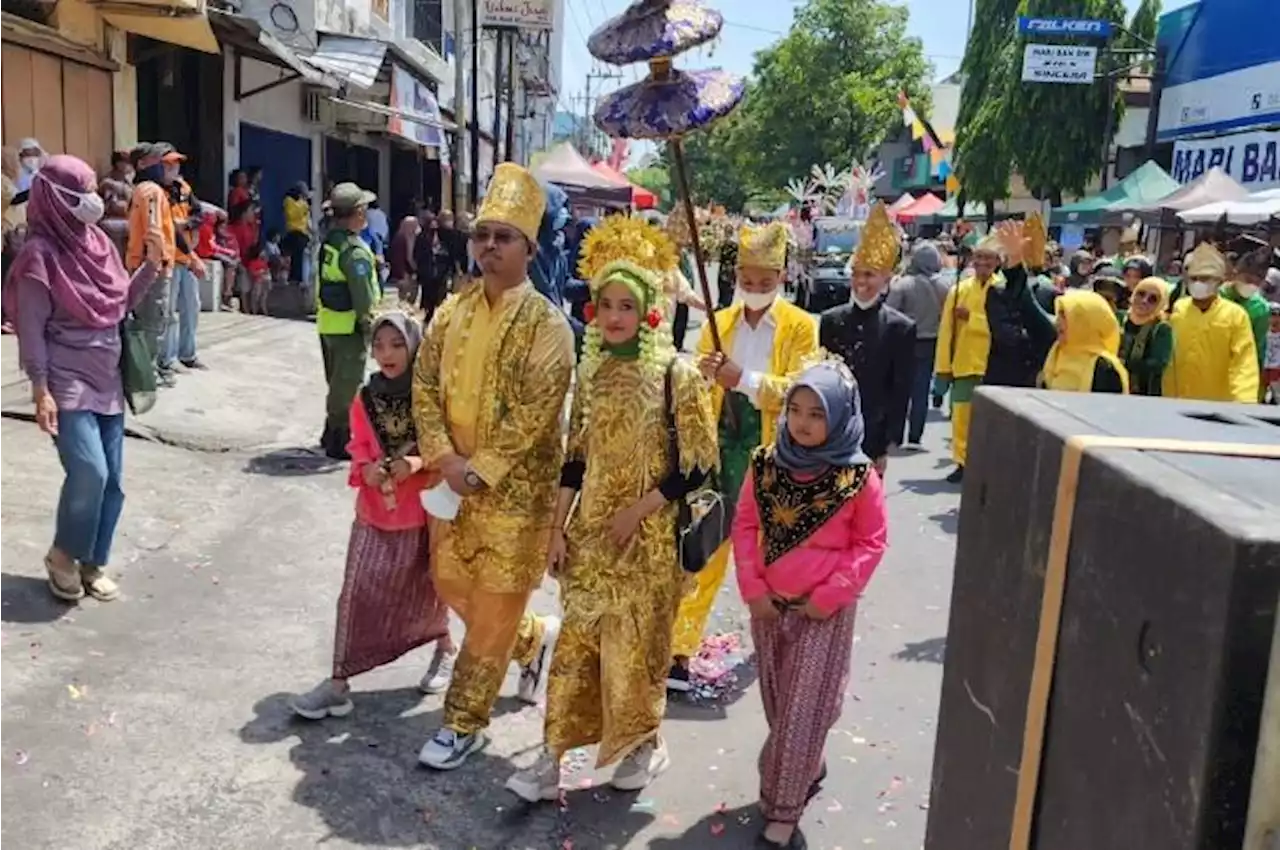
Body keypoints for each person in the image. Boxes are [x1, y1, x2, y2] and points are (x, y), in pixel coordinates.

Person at [503, 218, 718, 802]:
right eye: (606, 305)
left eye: (628, 304)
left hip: (648, 547)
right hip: (593, 538)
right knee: (576, 646)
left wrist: (638, 511)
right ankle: (550, 759)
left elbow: (699, 466)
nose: (616, 315)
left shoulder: (677, 376)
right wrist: (557, 528)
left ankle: (644, 740)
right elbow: (574, 459)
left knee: (636, 652)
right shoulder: (593, 373)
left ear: (649, 309)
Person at [411, 163, 574, 770]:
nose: (488, 246)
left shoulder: (548, 326)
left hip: (515, 494)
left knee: (496, 604)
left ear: (529, 247)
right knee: (452, 584)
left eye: (503, 237)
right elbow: (425, 383)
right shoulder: (451, 311)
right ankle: (533, 641)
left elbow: (537, 410)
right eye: (482, 235)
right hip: (450, 482)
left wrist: (478, 469)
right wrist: (444, 459)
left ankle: (463, 722)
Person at [733, 359, 888, 849]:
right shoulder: (766, 464)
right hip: (770, 605)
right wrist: (753, 589)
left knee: (802, 709)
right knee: (781, 707)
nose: (802, 423)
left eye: (817, 414)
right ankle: (807, 761)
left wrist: (829, 597)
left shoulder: (858, 478)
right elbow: (745, 527)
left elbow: (871, 543)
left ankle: (782, 809)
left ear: (841, 418)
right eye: (795, 410)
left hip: (822, 613)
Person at [669, 221, 818, 691]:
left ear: (781, 276)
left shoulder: (800, 327)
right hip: (719, 449)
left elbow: (801, 388)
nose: (755, 290)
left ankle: (779, 641)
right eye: (747, 282)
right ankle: (679, 647)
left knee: (771, 557)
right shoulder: (721, 323)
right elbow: (695, 381)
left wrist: (744, 380)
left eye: (765, 282)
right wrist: (703, 375)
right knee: (705, 547)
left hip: (772, 453)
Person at [7, 155, 163, 602]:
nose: (93, 202)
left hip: (107, 377)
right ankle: (62, 555)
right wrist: (40, 390)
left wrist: (150, 265)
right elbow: (31, 329)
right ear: (55, 200)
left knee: (112, 481)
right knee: (89, 471)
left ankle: (93, 561)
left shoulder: (95, 242)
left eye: (94, 190)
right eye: (82, 194)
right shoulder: (39, 256)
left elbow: (118, 304)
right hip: (65, 379)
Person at [290, 312, 455, 718]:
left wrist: (416, 463)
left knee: (429, 593)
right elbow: (359, 444)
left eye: (397, 344)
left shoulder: (429, 398)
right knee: (356, 594)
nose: (387, 354)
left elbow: (446, 447)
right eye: (379, 345)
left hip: (421, 515)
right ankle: (338, 682)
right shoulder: (365, 398)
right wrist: (365, 468)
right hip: (374, 512)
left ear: (414, 346)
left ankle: (445, 648)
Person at [933, 223, 1055, 484]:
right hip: (965, 364)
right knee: (962, 418)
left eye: (988, 258)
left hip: (995, 365)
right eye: (978, 257)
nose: (982, 263)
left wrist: (973, 318)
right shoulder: (959, 290)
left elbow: (1005, 328)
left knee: (990, 423)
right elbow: (946, 332)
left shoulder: (1005, 289)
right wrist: (943, 370)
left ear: (998, 261)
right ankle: (962, 462)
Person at [820, 203, 915, 473]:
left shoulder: (901, 327)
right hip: (832, 431)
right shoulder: (830, 320)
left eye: (869, 275)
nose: (861, 281)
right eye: (857, 274)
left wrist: (888, 443)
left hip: (872, 435)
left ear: (885, 278)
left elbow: (900, 389)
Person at [317, 183, 382, 460]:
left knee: (337, 383)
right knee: (347, 387)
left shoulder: (330, 242)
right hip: (349, 328)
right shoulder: (354, 251)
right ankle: (339, 440)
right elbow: (363, 297)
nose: (366, 214)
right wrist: (372, 329)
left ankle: (329, 432)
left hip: (328, 325)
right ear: (356, 213)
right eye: (363, 209)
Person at [1164, 242, 1259, 403]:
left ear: (1219, 281)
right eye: (1194, 278)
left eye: (1205, 278)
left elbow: (1243, 361)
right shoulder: (1179, 309)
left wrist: (1244, 402)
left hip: (1217, 403)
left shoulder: (1236, 315)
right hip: (1177, 401)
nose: (1198, 283)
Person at [885, 238, 949, 450]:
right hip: (931, 342)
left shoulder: (902, 284)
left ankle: (896, 435)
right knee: (921, 391)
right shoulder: (945, 286)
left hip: (904, 343)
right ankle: (915, 437)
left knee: (899, 389)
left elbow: (889, 314)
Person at [125, 143, 177, 383]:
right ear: (142, 164)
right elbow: (153, 227)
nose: (163, 165)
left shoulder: (140, 190)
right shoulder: (151, 191)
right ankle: (147, 373)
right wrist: (155, 261)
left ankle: (144, 370)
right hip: (153, 266)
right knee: (153, 321)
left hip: (142, 263)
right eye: (158, 161)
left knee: (146, 320)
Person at [159, 148, 206, 375]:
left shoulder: (184, 188)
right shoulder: (157, 192)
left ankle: (188, 353)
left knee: (192, 306)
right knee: (169, 312)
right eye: (169, 165)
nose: (173, 169)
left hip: (186, 257)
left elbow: (199, 213)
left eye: (176, 165)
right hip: (170, 257)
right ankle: (168, 358)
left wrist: (187, 223)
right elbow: (169, 229)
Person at [1040, 290, 1129, 393]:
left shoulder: (1104, 368)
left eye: (1065, 315)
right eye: (1059, 314)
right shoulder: (1055, 354)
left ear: (1085, 322)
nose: (1058, 322)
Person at [1225, 247, 1273, 392]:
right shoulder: (1217, 296)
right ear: (1235, 274)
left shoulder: (1260, 308)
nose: (1251, 285)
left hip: (1240, 375)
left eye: (1257, 282)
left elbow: (1259, 348)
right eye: (1247, 279)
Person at [1118, 276, 1173, 397]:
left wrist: (1126, 364)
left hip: (1146, 393)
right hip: (1116, 386)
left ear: (1161, 303)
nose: (1144, 300)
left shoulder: (1161, 328)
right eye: (1141, 294)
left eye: (1153, 299)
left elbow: (1159, 363)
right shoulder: (1121, 318)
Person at [227, 202, 269, 315]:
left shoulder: (252, 228)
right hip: (240, 262)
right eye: (251, 211)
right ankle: (246, 309)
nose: (253, 215)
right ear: (244, 214)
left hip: (250, 262)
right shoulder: (234, 228)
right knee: (245, 280)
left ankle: (257, 307)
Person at [413, 212, 455, 323]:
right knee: (429, 295)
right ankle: (430, 316)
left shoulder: (442, 235)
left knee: (439, 295)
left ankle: (437, 316)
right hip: (428, 271)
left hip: (439, 271)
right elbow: (417, 254)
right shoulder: (422, 237)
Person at [99, 151, 134, 258]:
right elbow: (114, 206)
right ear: (118, 164)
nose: (127, 166)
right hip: (113, 222)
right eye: (124, 162)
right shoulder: (108, 182)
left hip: (128, 222)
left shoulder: (128, 181)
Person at [282, 182, 312, 285]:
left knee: (302, 256)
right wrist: (303, 204)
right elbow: (292, 214)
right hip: (294, 231)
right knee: (296, 256)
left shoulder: (304, 204)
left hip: (303, 232)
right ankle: (295, 277)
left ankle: (301, 278)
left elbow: (306, 218)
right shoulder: (289, 201)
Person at [389, 215, 419, 304]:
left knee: (414, 292)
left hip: (414, 270)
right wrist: (402, 274)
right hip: (404, 271)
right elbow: (397, 258)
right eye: (412, 225)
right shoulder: (399, 238)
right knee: (404, 292)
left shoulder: (416, 237)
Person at [1264, 303, 1280, 403]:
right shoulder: (1264, 333)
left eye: (1277, 315)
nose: (1275, 318)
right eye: (1272, 315)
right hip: (1266, 368)